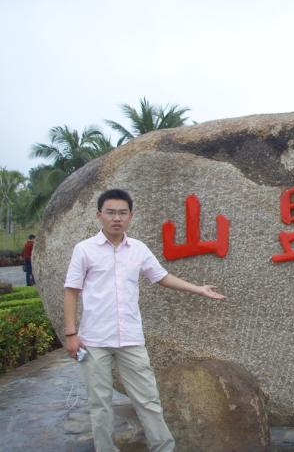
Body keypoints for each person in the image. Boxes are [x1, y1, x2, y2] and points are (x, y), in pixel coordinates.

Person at [63, 189, 226, 452]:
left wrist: (198, 289)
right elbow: (71, 291)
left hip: (130, 338)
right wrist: (71, 334)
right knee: (100, 404)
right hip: (94, 339)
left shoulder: (138, 249)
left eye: (122, 213)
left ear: (130, 216)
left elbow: (162, 277)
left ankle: (163, 448)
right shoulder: (84, 250)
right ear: (99, 215)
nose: (117, 218)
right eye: (111, 212)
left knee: (148, 399)